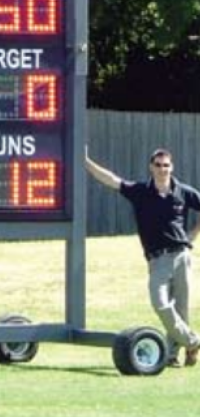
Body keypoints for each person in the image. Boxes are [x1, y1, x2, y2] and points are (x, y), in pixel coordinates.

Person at [85, 147, 200, 367]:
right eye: (158, 165)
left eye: (166, 165)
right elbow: (111, 180)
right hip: (157, 259)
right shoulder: (140, 191)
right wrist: (87, 162)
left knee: (181, 308)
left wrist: (193, 235)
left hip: (181, 256)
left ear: (171, 167)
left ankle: (172, 356)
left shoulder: (183, 192)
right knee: (161, 305)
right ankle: (193, 341)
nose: (162, 169)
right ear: (151, 167)